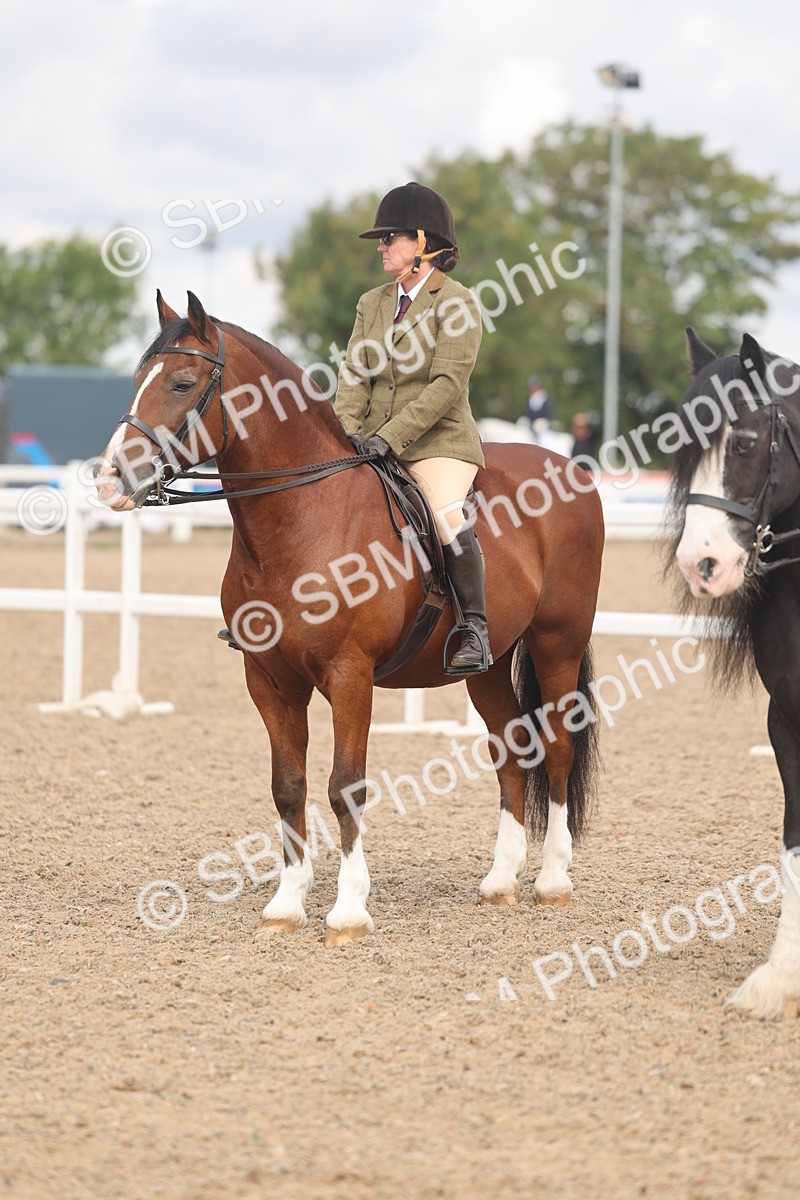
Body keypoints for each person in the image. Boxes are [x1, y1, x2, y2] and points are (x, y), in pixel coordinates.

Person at [334, 181, 489, 674]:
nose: (381, 247)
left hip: (438, 443)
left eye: (390, 237)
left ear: (423, 244)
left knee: (444, 515)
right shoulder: (371, 303)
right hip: (371, 442)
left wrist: (389, 437)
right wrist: (341, 439)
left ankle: (475, 627)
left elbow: (446, 385)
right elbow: (355, 375)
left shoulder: (457, 304)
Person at [526, 376, 552, 442]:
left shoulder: (544, 397)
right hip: (531, 424)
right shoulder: (531, 398)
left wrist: (543, 421)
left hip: (542, 424)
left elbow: (548, 412)